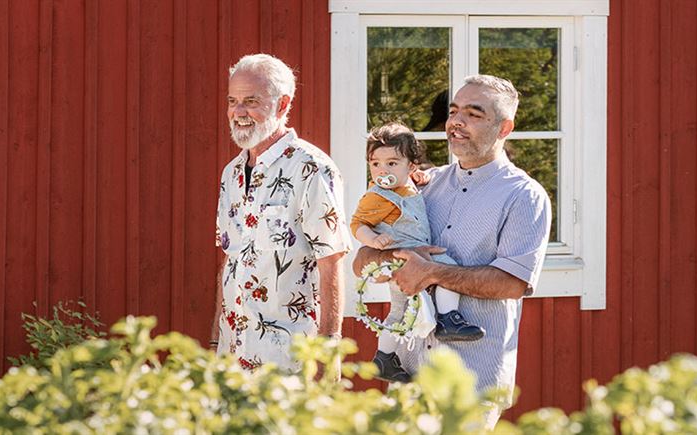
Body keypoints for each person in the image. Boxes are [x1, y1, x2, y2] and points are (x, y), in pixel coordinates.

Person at [352, 75, 552, 401]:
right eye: (454, 111)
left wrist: (430, 271)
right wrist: (392, 257)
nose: (457, 122)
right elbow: (362, 261)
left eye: (473, 114)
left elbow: (513, 283)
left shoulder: (524, 195)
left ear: (504, 128)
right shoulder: (420, 186)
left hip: (470, 382)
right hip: (408, 373)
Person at [211, 54, 350, 371]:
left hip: (290, 358)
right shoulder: (230, 174)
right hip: (232, 354)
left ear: (283, 105)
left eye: (251, 101)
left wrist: (329, 352)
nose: (238, 112)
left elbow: (331, 259)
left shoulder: (311, 167)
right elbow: (229, 259)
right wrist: (215, 341)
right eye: (232, 101)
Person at [349, 122, 486, 384]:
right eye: (375, 164)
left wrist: (418, 177)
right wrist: (374, 239)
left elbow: (410, 183)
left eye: (392, 163)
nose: (382, 171)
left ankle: (384, 358)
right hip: (403, 258)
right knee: (448, 271)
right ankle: (448, 318)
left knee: (399, 311)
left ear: (410, 166)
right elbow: (357, 224)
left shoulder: (407, 183)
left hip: (415, 254)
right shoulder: (378, 197)